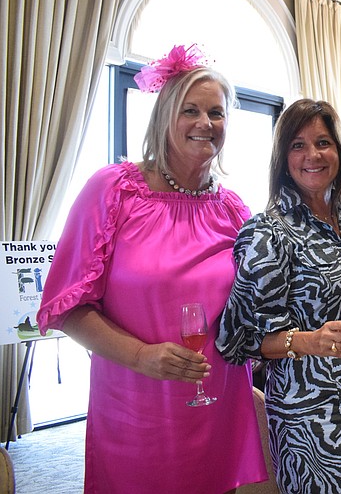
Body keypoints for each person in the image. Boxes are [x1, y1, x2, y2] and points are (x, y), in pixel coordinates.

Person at [36, 44, 267, 493]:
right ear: (164, 117)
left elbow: (252, 307)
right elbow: (66, 306)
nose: (205, 124)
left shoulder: (234, 211)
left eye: (216, 113)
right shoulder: (114, 191)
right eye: (190, 110)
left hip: (215, 400)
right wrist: (141, 356)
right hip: (135, 406)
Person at [216, 99, 341, 494]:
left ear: (339, 151)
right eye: (298, 145)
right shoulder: (268, 233)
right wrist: (310, 341)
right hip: (309, 417)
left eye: (323, 142)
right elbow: (235, 340)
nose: (312, 155)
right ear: (282, 157)